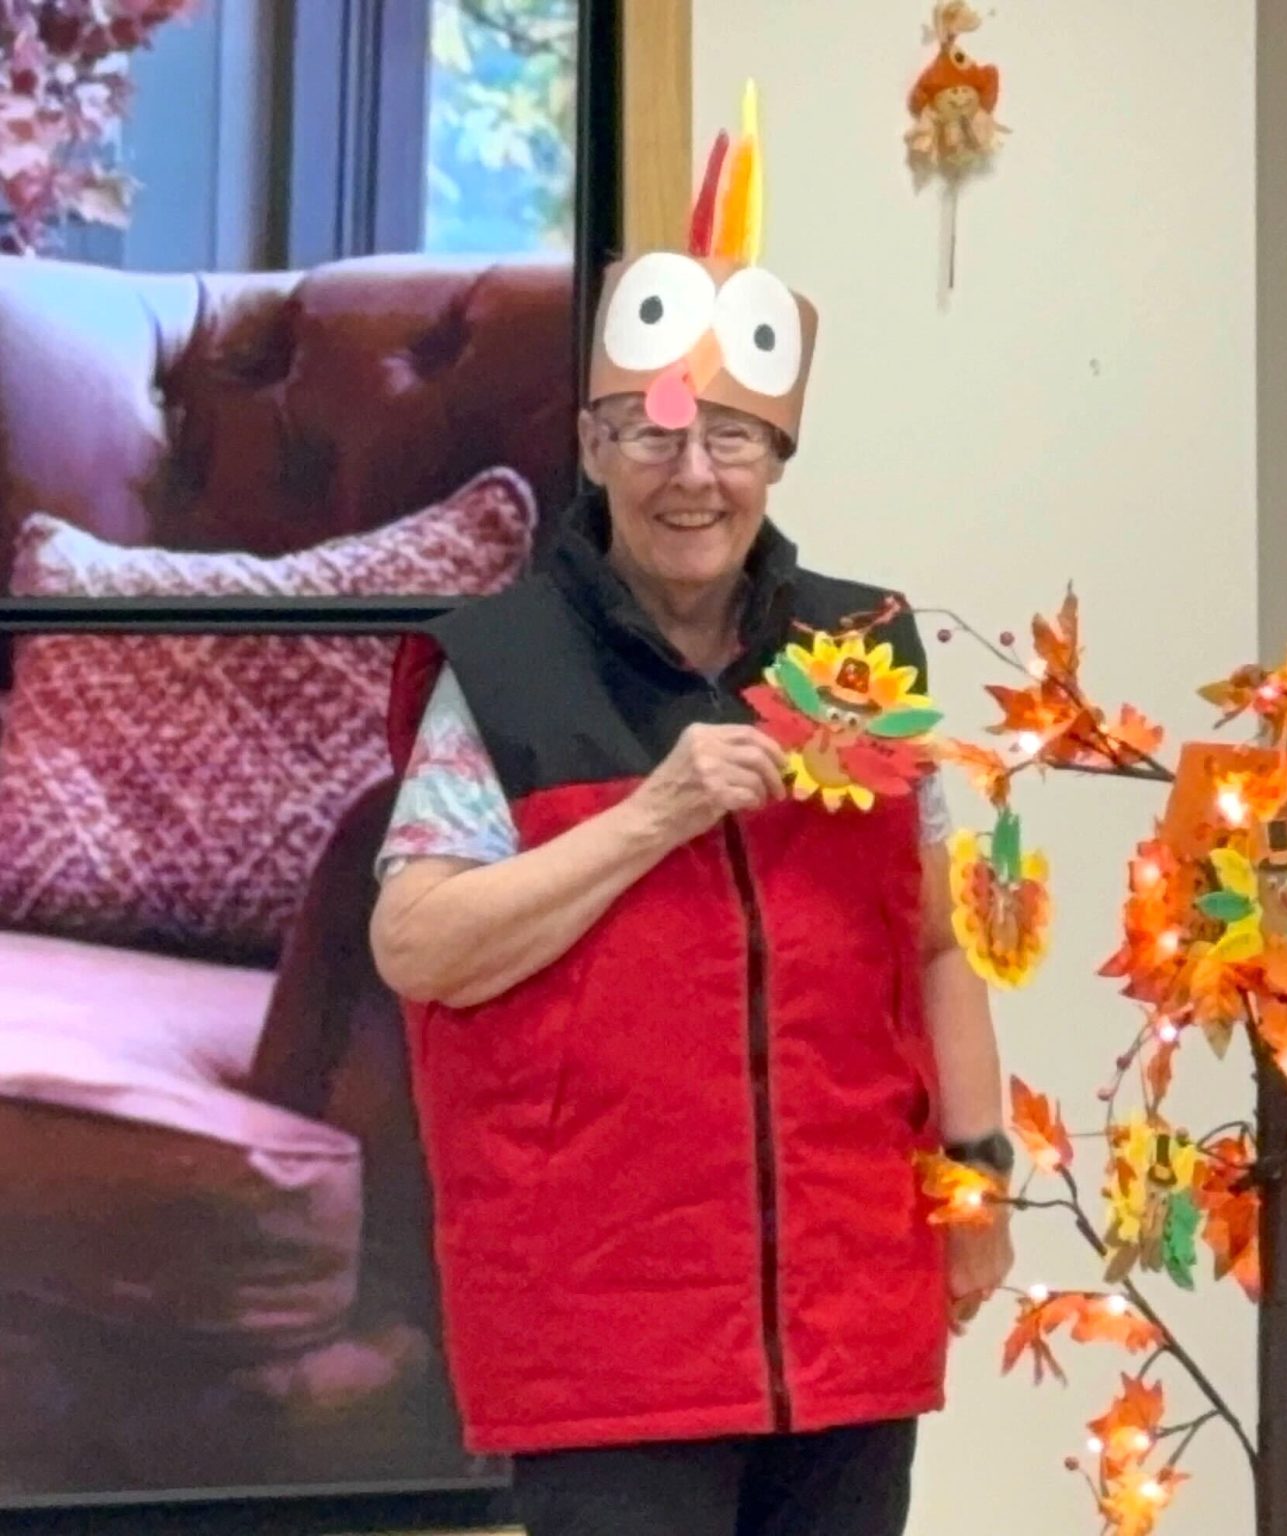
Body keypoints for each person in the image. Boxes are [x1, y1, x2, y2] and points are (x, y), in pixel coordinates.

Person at [366, 137, 1013, 1536]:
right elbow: (418, 946)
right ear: (594, 447)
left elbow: (938, 942)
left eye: (732, 437)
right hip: (605, 1328)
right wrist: (655, 815)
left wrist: (980, 1176)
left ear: (779, 456)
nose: (693, 475)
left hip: (848, 1301)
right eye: (653, 435)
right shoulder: (505, 667)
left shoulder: (860, 653)